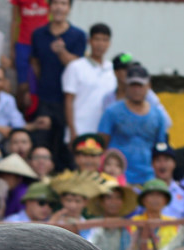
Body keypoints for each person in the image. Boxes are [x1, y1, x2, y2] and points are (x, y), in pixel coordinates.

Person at [29, 0, 86, 167]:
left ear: (69, 8)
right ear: (49, 7)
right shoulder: (38, 34)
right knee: (42, 142)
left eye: (63, 3)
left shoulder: (78, 35)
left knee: (64, 146)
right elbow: (35, 63)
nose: (59, 7)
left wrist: (62, 52)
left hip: (68, 99)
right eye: (55, 3)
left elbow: (78, 65)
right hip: (45, 98)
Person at [97, 64, 165, 186]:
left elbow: (160, 150)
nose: (136, 90)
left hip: (148, 177)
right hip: (116, 178)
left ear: (148, 86)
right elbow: (101, 145)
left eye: (140, 85)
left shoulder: (158, 115)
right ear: (126, 86)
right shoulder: (112, 112)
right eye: (133, 85)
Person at [61, 22, 113, 143]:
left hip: (104, 134)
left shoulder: (112, 69)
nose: (101, 44)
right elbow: (68, 101)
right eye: (97, 39)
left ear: (109, 43)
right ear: (89, 41)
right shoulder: (75, 67)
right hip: (80, 131)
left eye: (105, 40)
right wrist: (72, 131)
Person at [9, 0, 48, 96]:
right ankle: (21, 109)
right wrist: (12, 48)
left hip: (44, 43)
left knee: (42, 80)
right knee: (23, 85)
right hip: (23, 43)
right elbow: (14, 21)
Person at [151, 142, 184, 219]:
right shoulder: (145, 193)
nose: (162, 164)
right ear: (152, 164)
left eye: (166, 160)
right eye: (158, 160)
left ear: (174, 164)